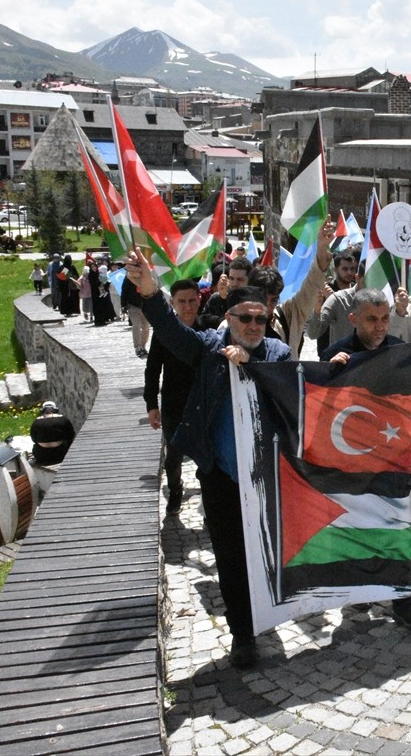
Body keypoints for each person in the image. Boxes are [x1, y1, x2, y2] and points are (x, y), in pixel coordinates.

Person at [124, 245, 290, 669]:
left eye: (260, 319)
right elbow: (171, 332)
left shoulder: (277, 353)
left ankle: (268, 610)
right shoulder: (206, 346)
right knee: (230, 554)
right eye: (245, 319)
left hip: (265, 475)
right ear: (226, 319)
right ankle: (243, 635)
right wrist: (149, 292)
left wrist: (249, 362)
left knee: (266, 553)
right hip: (219, 475)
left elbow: (288, 395)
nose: (254, 325)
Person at [318, 288, 411, 631]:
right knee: (357, 527)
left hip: (395, 459)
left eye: (384, 319)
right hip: (351, 460)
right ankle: (360, 589)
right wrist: (328, 374)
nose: (380, 326)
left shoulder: (400, 350)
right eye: (371, 319)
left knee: (398, 526)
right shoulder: (336, 354)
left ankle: (401, 599)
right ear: (353, 319)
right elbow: (317, 408)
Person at [144, 278, 205, 515]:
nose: (187, 306)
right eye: (182, 302)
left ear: (199, 300)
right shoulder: (163, 334)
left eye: (192, 300)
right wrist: (151, 404)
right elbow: (152, 370)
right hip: (173, 403)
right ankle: (175, 492)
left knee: (205, 455)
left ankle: (208, 498)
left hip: (202, 402)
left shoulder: (208, 328)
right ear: (173, 303)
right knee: (174, 456)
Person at [247, 219, 337, 354]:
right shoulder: (233, 324)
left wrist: (322, 248)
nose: (268, 305)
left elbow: (312, 286)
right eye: (262, 299)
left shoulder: (288, 315)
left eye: (273, 300)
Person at [305, 261, 362, 350]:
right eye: (345, 269)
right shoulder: (338, 299)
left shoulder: (384, 300)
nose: (349, 273)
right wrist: (317, 308)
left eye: (352, 269)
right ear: (358, 278)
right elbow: (313, 333)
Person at [29, 401, 75, 466]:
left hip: (42, 456)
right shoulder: (63, 419)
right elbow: (71, 435)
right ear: (56, 409)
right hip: (62, 454)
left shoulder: (36, 422)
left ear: (42, 410)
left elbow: (34, 439)